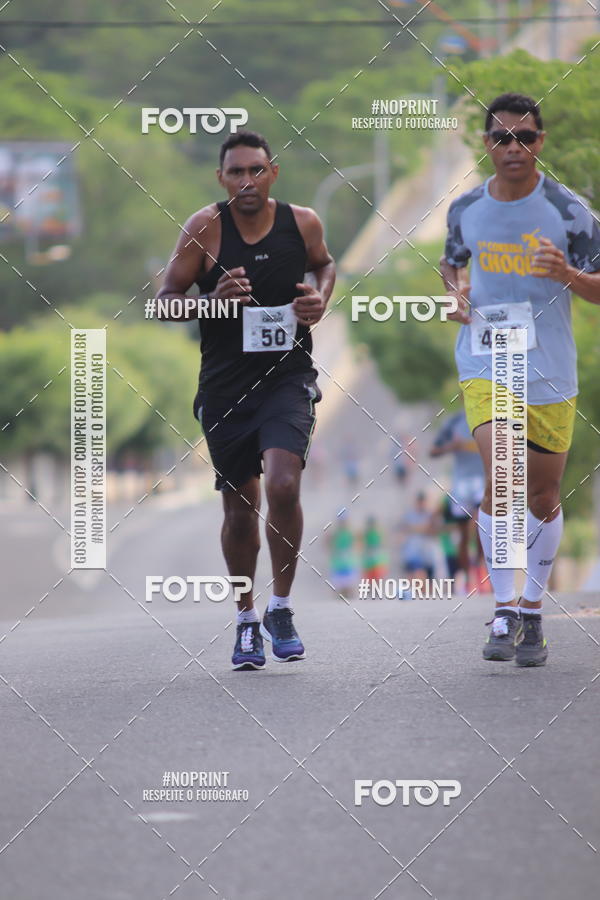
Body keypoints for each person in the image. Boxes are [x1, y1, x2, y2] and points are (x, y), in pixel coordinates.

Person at [156, 130, 336, 670]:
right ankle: (245, 619)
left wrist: (319, 299)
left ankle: (280, 606)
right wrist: (210, 303)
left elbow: (325, 265)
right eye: (236, 172)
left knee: (283, 483)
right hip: (226, 388)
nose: (247, 181)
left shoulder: (302, 222)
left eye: (256, 170)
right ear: (221, 179)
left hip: (287, 379)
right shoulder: (204, 228)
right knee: (240, 510)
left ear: (273, 172)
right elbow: (163, 304)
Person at [440, 93, 600, 665]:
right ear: (486, 144)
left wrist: (569, 274)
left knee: (543, 494)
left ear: (541, 142)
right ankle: (503, 607)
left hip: (550, 367)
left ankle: (534, 609)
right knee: (501, 473)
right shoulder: (466, 208)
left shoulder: (568, 211)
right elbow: (452, 261)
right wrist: (456, 293)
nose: (514, 147)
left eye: (525, 137)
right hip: (486, 359)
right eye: (502, 137)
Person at [430, 409, 487, 594]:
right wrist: (451, 447)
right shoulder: (453, 422)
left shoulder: (489, 418)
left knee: (481, 523)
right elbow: (433, 451)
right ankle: (467, 575)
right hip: (461, 484)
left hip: (483, 481)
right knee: (463, 536)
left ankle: (479, 566)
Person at [396, 492, 437, 589]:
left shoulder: (430, 514)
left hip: (427, 553)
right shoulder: (410, 515)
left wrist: (416, 529)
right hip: (413, 552)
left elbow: (433, 530)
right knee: (417, 576)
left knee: (427, 582)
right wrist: (422, 528)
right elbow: (404, 529)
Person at [328, 510, 359, 598]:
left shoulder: (350, 532)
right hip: (338, 564)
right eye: (341, 521)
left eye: (344, 521)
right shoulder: (335, 533)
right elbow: (329, 546)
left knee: (349, 587)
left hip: (348, 563)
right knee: (340, 589)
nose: (343, 523)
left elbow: (356, 545)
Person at [361, 515, 388, 584]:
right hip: (370, 558)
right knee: (371, 578)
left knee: (377, 577)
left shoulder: (378, 533)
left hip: (376, 559)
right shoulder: (367, 533)